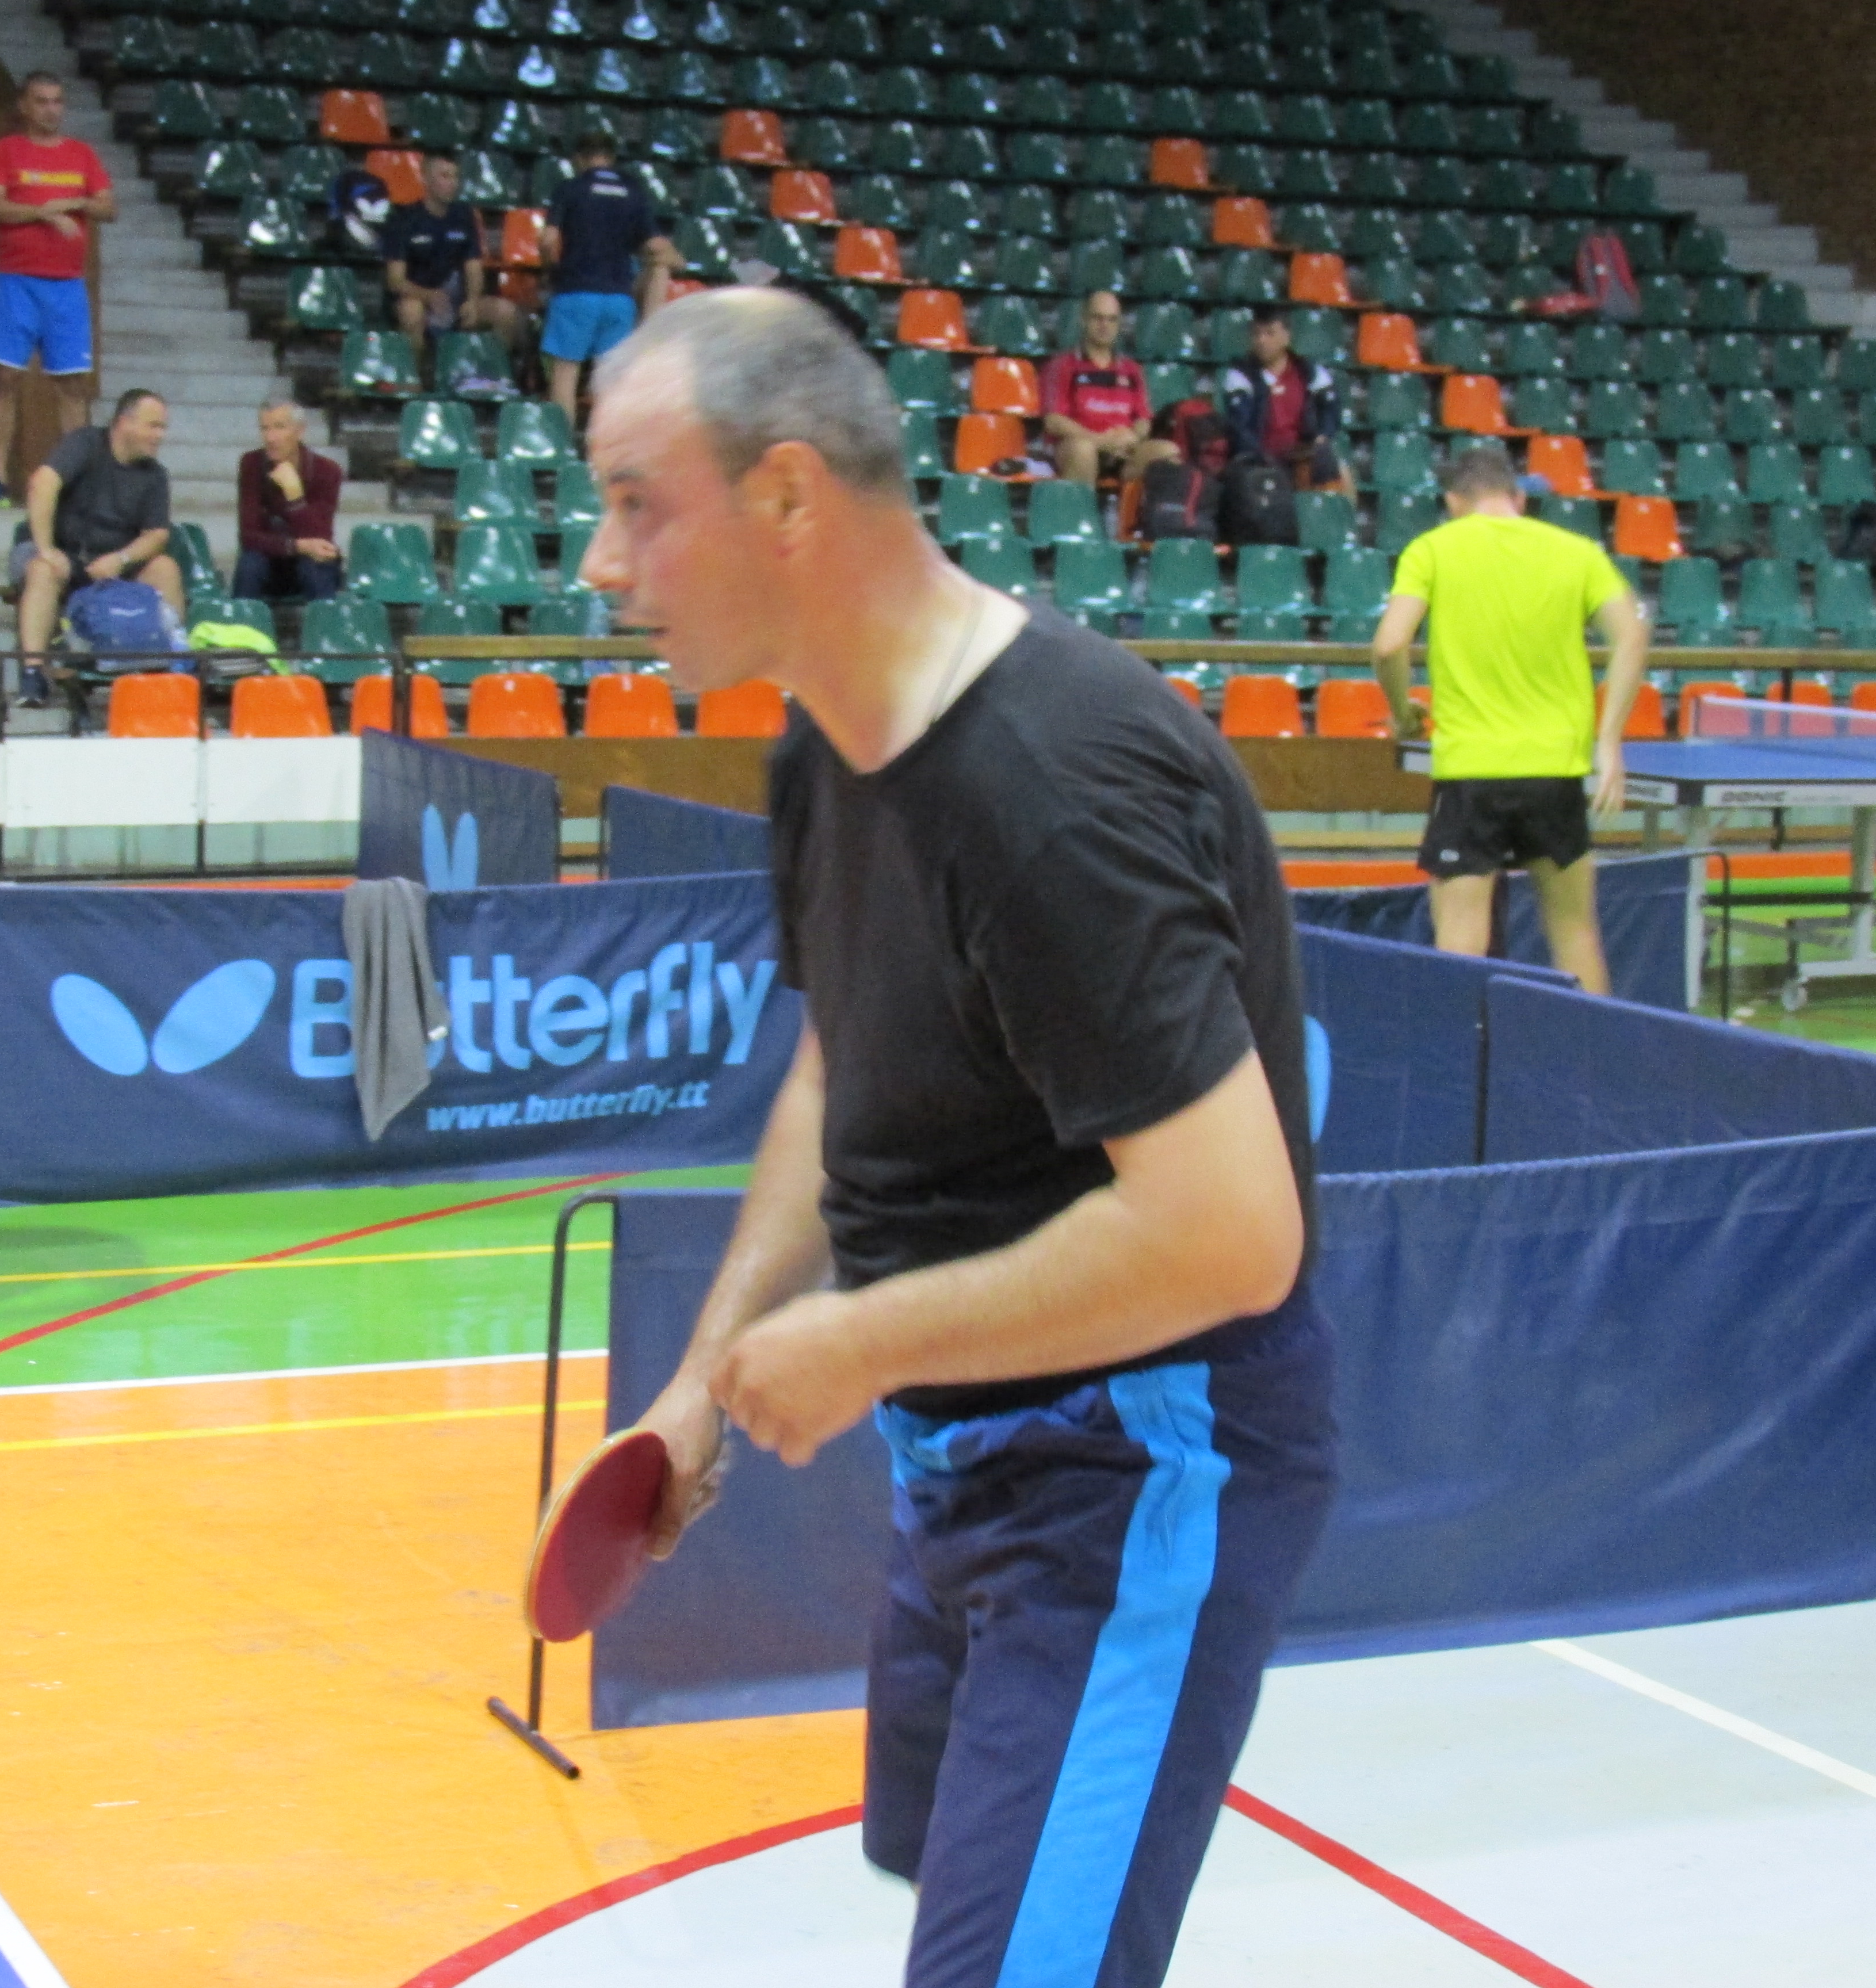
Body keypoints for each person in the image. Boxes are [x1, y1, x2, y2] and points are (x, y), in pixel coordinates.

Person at [582, 289, 1337, 1988]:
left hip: (1137, 1469)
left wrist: (860, 1338)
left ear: (787, 495)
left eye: (638, 503)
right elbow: (838, 1069)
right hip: (957, 1460)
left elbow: (1231, 1235)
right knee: (955, 1893)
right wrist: (704, 1380)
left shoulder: (1053, 791)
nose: (601, 563)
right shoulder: (829, 744)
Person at [1372, 445, 1649, 995]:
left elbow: (1388, 645)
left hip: (1471, 773)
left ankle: (1460, 1048)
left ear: (1454, 502)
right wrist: (1609, 741)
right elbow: (1633, 635)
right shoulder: (1577, 552)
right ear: (1519, 498)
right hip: (1555, 770)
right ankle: (1594, 1047)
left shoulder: (1432, 550)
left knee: (1460, 940)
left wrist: (1403, 714)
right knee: (1575, 933)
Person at [0, 70, 114, 509]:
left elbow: (108, 206)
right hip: (15, 280)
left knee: (72, 384)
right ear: (24, 106)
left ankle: (78, 479)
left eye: (57, 101)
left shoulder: (81, 154)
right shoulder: (5, 151)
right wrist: (44, 213)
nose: (51, 110)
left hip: (67, 285)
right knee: (6, 378)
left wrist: (74, 203)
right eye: (41, 101)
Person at [12, 388, 179, 700]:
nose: (160, 436)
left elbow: (157, 535)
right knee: (42, 569)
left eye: (163, 427)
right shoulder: (85, 444)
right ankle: (33, 673)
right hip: (66, 553)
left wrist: (121, 559)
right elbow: (43, 483)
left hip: (114, 564)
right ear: (125, 422)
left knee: (165, 569)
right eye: (153, 426)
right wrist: (46, 548)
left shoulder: (156, 475)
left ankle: (172, 666)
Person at [539, 131, 677, 423]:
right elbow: (656, 247)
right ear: (611, 158)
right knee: (610, 385)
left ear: (578, 159)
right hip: (619, 299)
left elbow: (548, 240)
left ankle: (563, 445)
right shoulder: (633, 191)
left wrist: (550, 269)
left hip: (576, 292)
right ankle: (606, 448)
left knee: (565, 376)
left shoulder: (571, 188)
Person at [380, 155, 520, 376]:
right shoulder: (404, 220)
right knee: (411, 311)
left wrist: (472, 300)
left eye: (455, 177)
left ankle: (491, 377)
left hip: (455, 300)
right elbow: (395, 280)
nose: (452, 183)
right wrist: (429, 296)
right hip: (418, 298)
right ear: (426, 179)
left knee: (506, 313)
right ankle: (415, 378)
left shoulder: (464, 216)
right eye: (444, 176)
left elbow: (474, 267)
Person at [1040, 291, 1179, 488]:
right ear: (1084, 320)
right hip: (1078, 447)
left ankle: (1142, 509)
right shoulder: (1062, 365)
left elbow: (1143, 420)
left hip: (1123, 451)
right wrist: (1098, 441)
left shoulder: (1132, 369)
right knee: (1083, 450)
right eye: (1098, 318)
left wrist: (1133, 437)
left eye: (1112, 320)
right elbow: (1054, 422)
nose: (1105, 325)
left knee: (1168, 452)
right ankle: (1083, 509)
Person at [1220, 308, 1353, 497]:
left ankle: (1335, 514)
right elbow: (1239, 429)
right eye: (1257, 334)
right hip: (1260, 460)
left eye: (1270, 334)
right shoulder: (1241, 375)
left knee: (1341, 472)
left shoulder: (1308, 372)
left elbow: (1330, 409)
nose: (1262, 341)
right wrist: (1262, 458)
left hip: (1300, 458)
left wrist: (1323, 437)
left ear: (1287, 337)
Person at [235, 399, 342, 603]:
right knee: (251, 563)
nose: (270, 438)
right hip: (268, 562)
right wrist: (298, 546)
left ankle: (325, 622)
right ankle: (241, 622)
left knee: (316, 565)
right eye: (265, 428)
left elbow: (320, 538)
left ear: (300, 431)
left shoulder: (327, 471)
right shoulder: (251, 464)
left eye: (279, 428)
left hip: (308, 565)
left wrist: (295, 496)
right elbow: (249, 537)